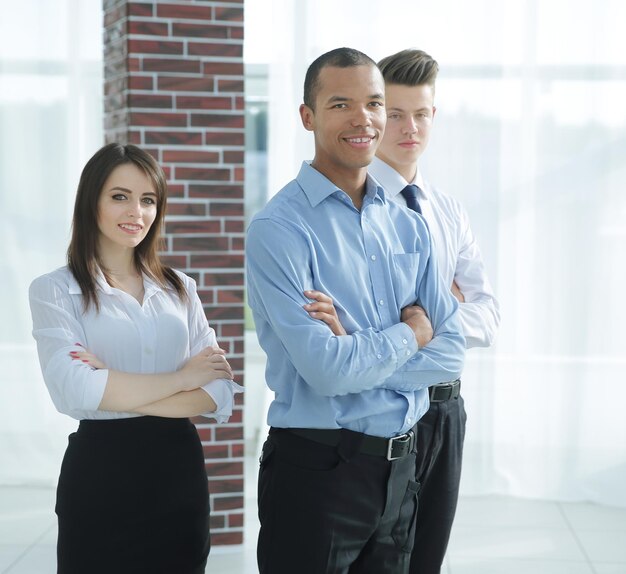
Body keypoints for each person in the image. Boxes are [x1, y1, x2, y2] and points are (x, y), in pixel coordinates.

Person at [246, 47, 465, 574]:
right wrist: (410, 331)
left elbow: (451, 353)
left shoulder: (408, 222)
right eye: (340, 103)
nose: (362, 118)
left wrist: (357, 346)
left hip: (402, 470)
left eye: (373, 103)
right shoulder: (280, 230)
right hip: (318, 472)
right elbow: (324, 370)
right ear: (307, 116)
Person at [311, 48, 501, 574]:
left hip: (448, 410)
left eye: (421, 114)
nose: (408, 127)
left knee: (427, 559)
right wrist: (438, 309)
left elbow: (488, 314)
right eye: (393, 112)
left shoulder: (446, 208)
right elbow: (344, 338)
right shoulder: (347, 207)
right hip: (389, 407)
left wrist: (417, 323)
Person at [28, 143, 243, 574]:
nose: (137, 211)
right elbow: (72, 390)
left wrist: (109, 382)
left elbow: (219, 391)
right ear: (92, 201)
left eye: (148, 199)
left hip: (178, 472)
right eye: (120, 196)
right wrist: (183, 377)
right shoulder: (55, 289)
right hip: (100, 475)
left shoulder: (180, 287)